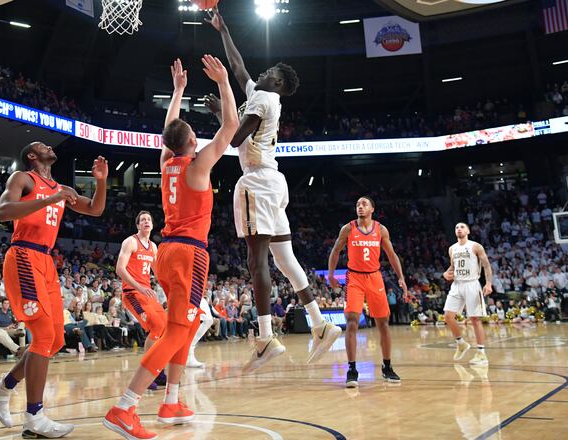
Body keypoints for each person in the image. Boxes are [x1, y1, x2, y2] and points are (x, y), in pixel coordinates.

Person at [103, 55, 238, 440]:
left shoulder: (167, 163)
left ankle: (172, 400)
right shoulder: (197, 167)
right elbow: (230, 126)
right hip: (189, 253)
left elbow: (169, 132)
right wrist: (224, 82)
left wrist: (178, 91)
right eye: (194, 133)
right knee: (177, 332)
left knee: (187, 323)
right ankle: (124, 407)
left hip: (166, 251)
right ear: (193, 142)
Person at [205, 7, 341, 373]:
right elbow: (238, 68)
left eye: (269, 73)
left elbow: (234, 138)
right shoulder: (261, 94)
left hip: (257, 182)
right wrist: (224, 28)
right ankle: (321, 323)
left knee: (257, 260)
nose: (262, 73)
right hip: (273, 181)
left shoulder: (264, 100)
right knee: (285, 260)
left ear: (279, 83)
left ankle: (265, 338)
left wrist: (221, 111)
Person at [0, 140, 107, 438]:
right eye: (43, 145)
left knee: (53, 340)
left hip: (47, 261)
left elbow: (95, 209)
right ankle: (34, 417)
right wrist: (50, 200)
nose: (50, 146)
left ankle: (3, 388)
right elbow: (3, 211)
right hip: (23, 255)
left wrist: (100, 182)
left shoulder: (62, 187)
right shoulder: (22, 178)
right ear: (32, 155)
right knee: (42, 336)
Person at [328, 196, 407, 388]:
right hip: (354, 278)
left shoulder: (381, 229)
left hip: (374, 277)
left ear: (372, 208)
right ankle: (352, 369)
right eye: (357, 204)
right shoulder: (348, 229)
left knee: (383, 324)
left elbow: (391, 254)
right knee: (352, 322)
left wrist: (401, 277)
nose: (360, 207)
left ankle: (387, 366)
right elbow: (336, 250)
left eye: (364, 204)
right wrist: (331, 274)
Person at [115, 210, 167, 388]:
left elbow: (158, 273)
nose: (146, 221)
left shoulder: (153, 246)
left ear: (152, 225)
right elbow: (120, 269)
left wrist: (171, 291)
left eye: (149, 219)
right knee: (157, 326)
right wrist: (139, 287)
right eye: (142, 219)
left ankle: (157, 369)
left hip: (146, 293)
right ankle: (147, 374)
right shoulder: (130, 242)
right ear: (138, 225)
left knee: (166, 327)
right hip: (132, 292)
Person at [442, 223, 493, 366]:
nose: (459, 229)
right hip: (457, 284)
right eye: (456, 227)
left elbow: (486, 265)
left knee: (474, 319)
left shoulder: (475, 246)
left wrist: (488, 283)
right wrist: (446, 273)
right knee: (447, 315)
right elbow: (452, 267)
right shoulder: (452, 249)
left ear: (468, 231)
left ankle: (481, 353)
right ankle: (461, 343)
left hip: (471, 283)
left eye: (462, 227)